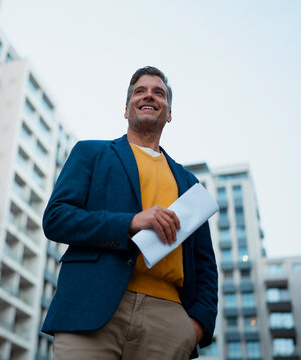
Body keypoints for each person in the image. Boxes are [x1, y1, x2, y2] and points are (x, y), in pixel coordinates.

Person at [41, 66, 218, 359]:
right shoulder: (90, 154)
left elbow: (205, 264)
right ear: (126, 109)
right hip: (90, 307)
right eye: (140, 91)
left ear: (169, 113)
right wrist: (130, 223)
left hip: (168, 321)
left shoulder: (189, 183)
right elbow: (56, 218)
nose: (149, 95)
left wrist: (198, 325)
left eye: (158, 92)